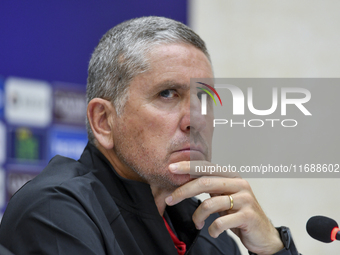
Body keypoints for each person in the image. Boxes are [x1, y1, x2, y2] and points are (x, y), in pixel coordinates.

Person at [0, 17, 300, 255]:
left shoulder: (213, 228)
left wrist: (272, 249)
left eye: (205, 98)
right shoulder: (55, 211)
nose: (195, 120)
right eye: (168, 94)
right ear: (104, 121)